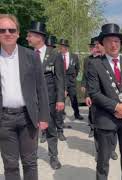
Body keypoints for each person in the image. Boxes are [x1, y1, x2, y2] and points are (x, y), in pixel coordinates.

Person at [87, 23, 122, 180]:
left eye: (117, 41)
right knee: (103, 160)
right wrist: (116, 107)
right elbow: (94, 93)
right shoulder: (94, 64)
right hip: (106, 119)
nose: (113, 44)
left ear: (121, 43)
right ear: (102, 44)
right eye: (109, 41)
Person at [0, 14, 49, 180]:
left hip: (28, 117)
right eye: (2, 30)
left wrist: (43, 117)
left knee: (30, 162)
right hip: (3, 119)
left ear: (18, 33)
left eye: (11, 30)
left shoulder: (31, 56)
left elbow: (41, 88)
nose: (7, 33)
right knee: (10, 164)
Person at [26, 21, 65, 169]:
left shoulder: (54, 54)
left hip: (49, 99)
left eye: (30, 36)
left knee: (50, 129)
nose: (27, 38)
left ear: (39, 37)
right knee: (31, 129)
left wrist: (60, 99)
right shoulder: (27, 54)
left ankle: (53, 157)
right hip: (31, 100)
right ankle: (32, 155)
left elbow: (60, 78)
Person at [82, 36, 118, 160]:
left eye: (98, 45)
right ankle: (99, 150)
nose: (95, 48)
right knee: (98, 126)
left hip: (113, 99)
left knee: (114, 125)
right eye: (95, 46)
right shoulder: (89, 60)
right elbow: (86, 77)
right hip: (96, 98)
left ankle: (112, 149)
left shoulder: (114, 60)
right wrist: (87, 95)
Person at [58, 39, 84, 122]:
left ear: (66, 48)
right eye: (60, 46)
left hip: (71, 81)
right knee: (61, 98)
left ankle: (77, 114)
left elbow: (77, 68)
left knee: (74, 98)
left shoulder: (74, 56)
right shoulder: (57, 56)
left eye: (62, 46)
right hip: (61, 80)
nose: (61, 48)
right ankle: (61, 114)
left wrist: (72, 78)